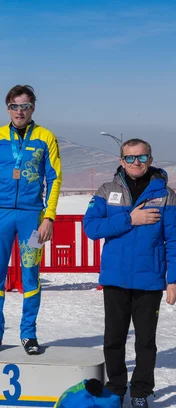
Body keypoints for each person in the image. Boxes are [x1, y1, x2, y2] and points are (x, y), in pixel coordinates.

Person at [84, 138, 176, 408]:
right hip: (115, 278)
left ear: (150, 158)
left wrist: (173, 280)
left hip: (149, 280)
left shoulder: (166, 195)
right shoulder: (106, 190)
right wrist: (130, 219)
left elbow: (173, 240)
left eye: (142, 157)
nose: (137, 163)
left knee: (145, 341)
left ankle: (140, 391)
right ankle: (115, 388)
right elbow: (91, 228)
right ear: (121, 161)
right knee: (113, 338)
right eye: (131, 158)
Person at [0, 85, 62, 355]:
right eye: (14, 106)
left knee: (31, 277)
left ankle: (29, 334)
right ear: (8, 109)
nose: (20, 111)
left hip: (32, 218)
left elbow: (55, 178)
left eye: (25, 106)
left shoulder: (46, 137)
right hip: (0, 215)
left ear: (33, 107)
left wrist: (49, 217)